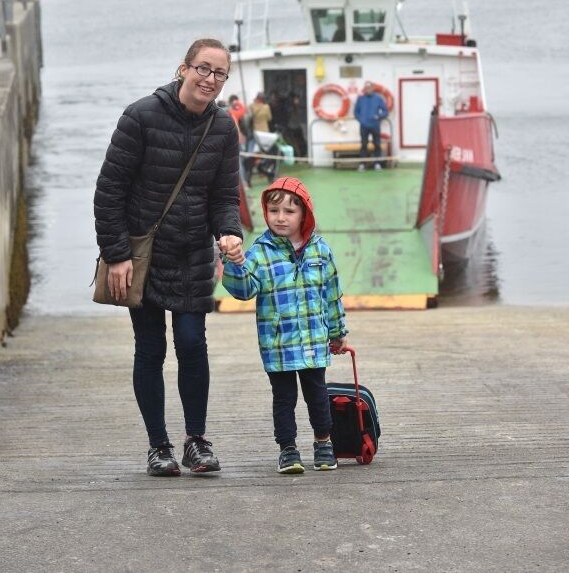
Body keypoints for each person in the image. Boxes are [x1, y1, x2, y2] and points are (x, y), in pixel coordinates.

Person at [94, 37, 244, 477]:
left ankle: (196, 441)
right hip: (143, 257)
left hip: (193, 254)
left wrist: (230, 233)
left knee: (193, 345)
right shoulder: (141, 116)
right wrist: (117, 254)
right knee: (150, 348)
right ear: (183, 69)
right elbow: (109, 191)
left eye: (219, 73)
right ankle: (158, 445)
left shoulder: (223, 128)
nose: (210, 79)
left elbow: (224, 196)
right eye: (203, 69)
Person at [221, 176, 348, 474]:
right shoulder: (260, 251)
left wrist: (338, 333)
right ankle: (288, 449)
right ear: (266, 213)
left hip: (314, 341)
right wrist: (235, 263)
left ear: (304, 214)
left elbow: (332, 294)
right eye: (274, 210)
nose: (281, 218)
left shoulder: (321, 250)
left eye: (289, 211)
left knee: (317, 394)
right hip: (278, 345)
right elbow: (244, 290)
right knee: (284, 398)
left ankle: (323, 443)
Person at [354, 81, 388, 170]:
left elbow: (385, 111)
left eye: (369, 88)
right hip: (364, 126)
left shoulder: (378, 99)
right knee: (363, 145)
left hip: (375, 125)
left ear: (373, 88)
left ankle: (377, 163)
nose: (367, 89)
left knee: (377, 144)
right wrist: (361, 120)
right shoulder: (360, 99)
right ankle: (363, 164)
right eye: (365, 88)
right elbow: (356, 112)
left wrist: (379, 116)